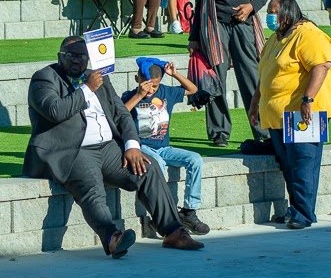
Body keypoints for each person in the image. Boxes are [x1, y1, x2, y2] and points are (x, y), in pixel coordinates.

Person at [23, 36, 204, 257]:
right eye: (70, 56)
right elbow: (54, 111)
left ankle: (173, 232)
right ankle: (112, 237)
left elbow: (121, 113)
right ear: (60, 56)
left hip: (108, 147)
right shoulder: (44, 79)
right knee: (91, 187)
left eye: (81, 56)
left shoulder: (99, 79)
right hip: (72, 149)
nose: (76, 61)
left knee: (149, 168)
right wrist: (87, 90)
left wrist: (132, 145)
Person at [248, 0, 331, 230]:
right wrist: (255, 101)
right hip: (278, 115)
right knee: (289, 166)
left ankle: (303, 213)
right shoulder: (276, 38)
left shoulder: (308, 34)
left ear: (288, 12)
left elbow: (321, 66)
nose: (270, 16)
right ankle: (297, 208)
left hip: (304, 114)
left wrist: (308, 99)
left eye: (274, 11)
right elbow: (265, 73)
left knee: (302, 165)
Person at [189, 0, 271, 147]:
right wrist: (194, 38)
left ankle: (262, 129)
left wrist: (250, 7)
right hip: (215, 30)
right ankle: (219, 133)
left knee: (251, 80)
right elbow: (200, 2)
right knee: (216, 81)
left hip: (244, 27)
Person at [121, 56, 210, 235]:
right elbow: (120, 113)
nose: (151, 89)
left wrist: (175, 74)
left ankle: (188, 212)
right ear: (137, 79)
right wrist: (139, 94)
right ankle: (164, 215)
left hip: (164, 148)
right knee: (158, 165)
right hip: (142, 147)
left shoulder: (166, 92)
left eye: (155, 85)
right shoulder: (130, 96)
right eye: (147, 85)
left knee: (195, 160)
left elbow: (192, 89)